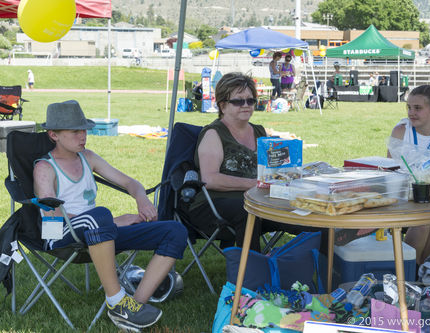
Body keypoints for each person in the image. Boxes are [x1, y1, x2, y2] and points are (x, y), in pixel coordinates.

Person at [33, 100, 188, 332]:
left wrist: (141, 199)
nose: (83, 136)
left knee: (175, 231)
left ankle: (133, 307)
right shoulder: (45, 167)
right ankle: (117, 301)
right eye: (75, 131)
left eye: (84, 129)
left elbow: (129, 182)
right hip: (60, 234)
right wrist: (115, 220)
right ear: (54, 134)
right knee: (100, 215)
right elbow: (51, 213)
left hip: (98, 234)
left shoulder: (88, 157)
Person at [187, 72, 327, 251]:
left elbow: (274, 170)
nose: (246, 105)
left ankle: (327, 268)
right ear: (222, 105)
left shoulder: (260, 132)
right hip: (213, 206)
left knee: (309, 210)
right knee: (247, 211)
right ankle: (253, 274)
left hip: (260, 201)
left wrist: (290, 174)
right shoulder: (213, 134)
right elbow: (210, 179)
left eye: (250, 100)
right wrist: (256, 184)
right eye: (238, 101)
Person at [388, 81, 430, 265]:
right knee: (423, 222)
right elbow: (390, 170)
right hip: (406, 194)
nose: (411, 112)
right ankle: (409, 268)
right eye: (409, 107)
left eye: (417, 108)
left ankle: (424, 266)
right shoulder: (401, 131)